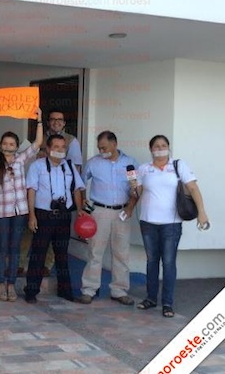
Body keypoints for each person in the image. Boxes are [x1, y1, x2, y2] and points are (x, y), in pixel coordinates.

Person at [135, 135, 209, 318]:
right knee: (151, 261)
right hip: (148, 222)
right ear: (150, 149)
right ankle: (151, 298)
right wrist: (132, 186)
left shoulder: (178, 165)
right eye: (156, 146)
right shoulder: (143, 169)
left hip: (172, 224)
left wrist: (202, 212)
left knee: (168, 263)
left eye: (163, 145)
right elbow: (138, 193)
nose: (160, 148)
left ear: (168, 147)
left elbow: (193, 189)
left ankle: (167, 303)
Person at [76, 131, 138, 305]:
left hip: (122, 212)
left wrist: (131, 207)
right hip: (99, 211)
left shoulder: (130, 163)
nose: (101, 150)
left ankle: (119, 290)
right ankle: (89, 289)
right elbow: (80, 183)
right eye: (99, 147)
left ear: (114, 144)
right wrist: (82, 204)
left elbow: (136, 189)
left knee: (121, 253)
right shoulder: (94, 163)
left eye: (104, 147)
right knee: (95, 252)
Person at [24, 134, 85, 304]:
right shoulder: (37, 166)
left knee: (62, 255)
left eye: (62, 147)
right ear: (49, 149)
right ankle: (31, 290)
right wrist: (31, 215)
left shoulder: (70, 167)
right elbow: (31, 191)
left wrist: (79, 210)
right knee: (38, 254)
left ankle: (65, 290)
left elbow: (77, 190)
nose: (60, 150)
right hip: (43, 215)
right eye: (56, 147)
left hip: (64, 216)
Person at [0, 109, 43, 302]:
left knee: (15, 248)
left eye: (12, 144)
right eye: (5, 143)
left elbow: (38, 143)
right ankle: (0, 283)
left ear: (16, 146)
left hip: (20, 211)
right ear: (0, 145)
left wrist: (39, 121)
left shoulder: (21, 160)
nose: (8, 146)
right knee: (2, 248)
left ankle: (11, 284)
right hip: (2, 212)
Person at [35, 108, 83, 278]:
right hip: (41, 204)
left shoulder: (72, 141)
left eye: (60, 119)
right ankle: (29, 273)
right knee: (38, 243)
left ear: (64, 123)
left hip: (62, 203)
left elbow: (75, 171)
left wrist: (78, 208)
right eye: (53, 119)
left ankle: (49, 266)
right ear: (49, 122)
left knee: (60, 248)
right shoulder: (41, 138)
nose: (56, 122)